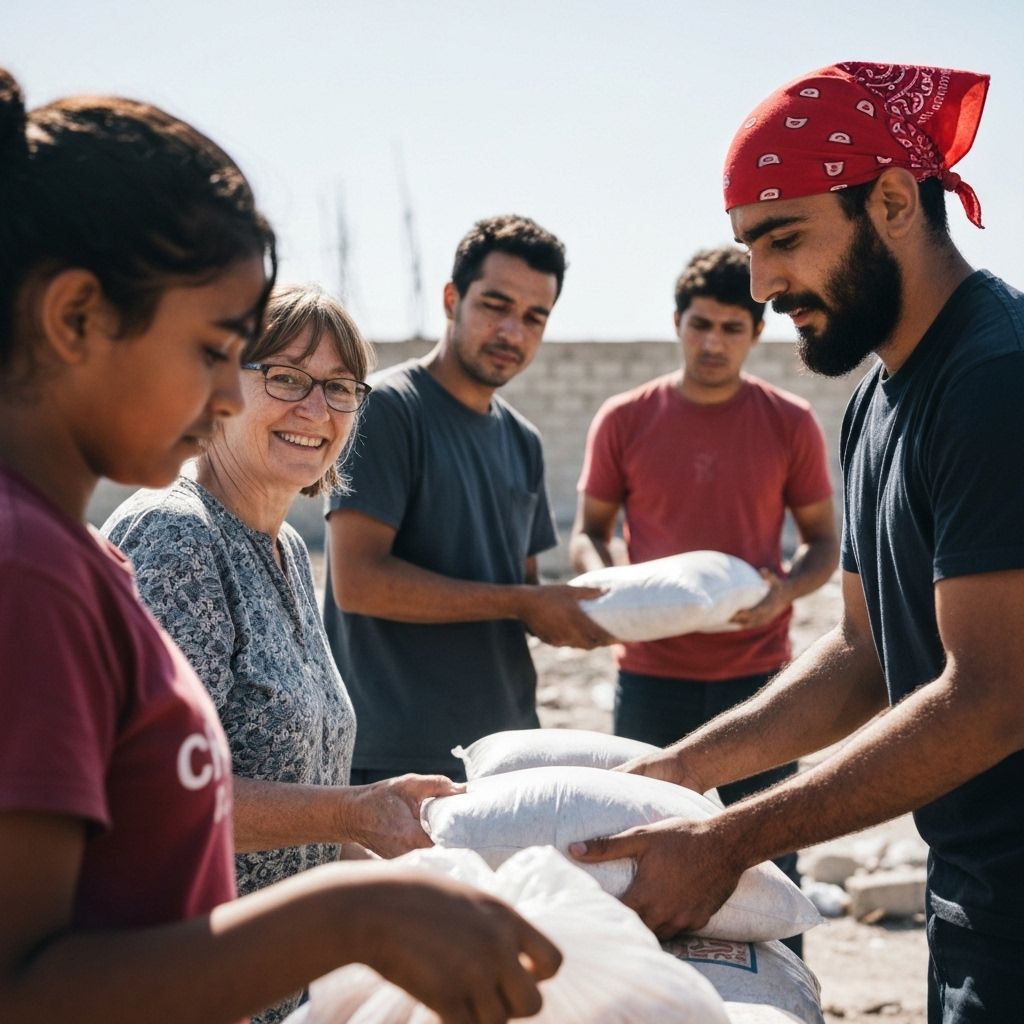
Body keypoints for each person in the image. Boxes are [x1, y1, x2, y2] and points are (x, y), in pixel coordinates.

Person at [0, 68, 560, 1024]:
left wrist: (377, 870)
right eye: (220, 351)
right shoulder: (46, 570)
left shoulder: (120, 559)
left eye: (339, 388)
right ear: (76, 317)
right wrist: (351, 909)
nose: (230, 397)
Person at [570, 61, 1024, 1023]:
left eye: (783, 238)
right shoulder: (873, 403)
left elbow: (995, 696)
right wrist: (677, 773)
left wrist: (730, 842)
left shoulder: (996, 379)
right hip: (976, 895)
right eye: (747, 247)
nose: (763, 282)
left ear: (894, 201)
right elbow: (865, 656)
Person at [102, 284, 463, 1023]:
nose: (316, 409)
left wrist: (414, 880)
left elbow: (299, 801)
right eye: (288, 377)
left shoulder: (289, 546)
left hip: (274, 984)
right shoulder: (177, 539)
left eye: (339, 387)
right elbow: (152, 799)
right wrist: (356, 811)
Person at [569, 245, 838, 953]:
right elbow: (588, 534)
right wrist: (606, 593)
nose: (713, 342)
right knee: (636, 860)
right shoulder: (626, 418)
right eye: (700, 325)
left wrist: (785, 592)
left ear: (755, 335)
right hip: (650, 680)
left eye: (731, 328)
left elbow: (821, 544)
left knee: (770, 862)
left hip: (760, 686)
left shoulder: (789, 421)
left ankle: (781, 1000)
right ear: (677, 323)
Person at [323, 214, 612, 782]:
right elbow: (357, 583)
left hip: (505, 750)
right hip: (394, 761)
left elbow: (523, 591)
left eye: (534, 317)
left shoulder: (522, 439)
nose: (513, 332)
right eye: (495, 305)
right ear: (452, 298)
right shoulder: (386, 409)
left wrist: (593, 611)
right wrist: (524, 603)